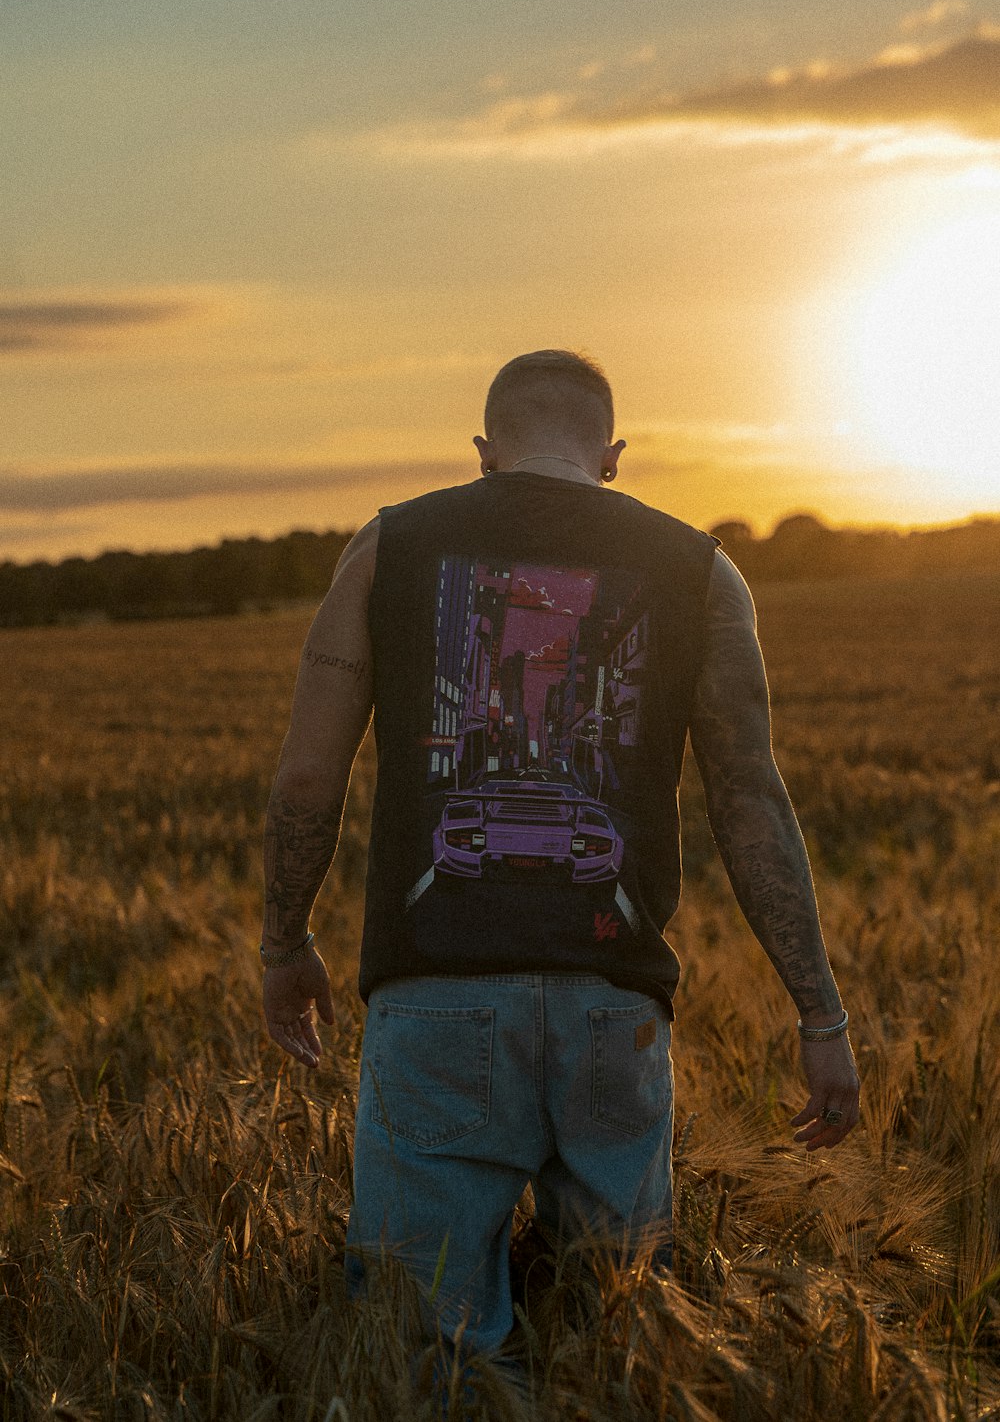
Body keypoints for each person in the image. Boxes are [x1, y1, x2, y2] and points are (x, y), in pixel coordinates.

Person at [260, 349, 860, 1360]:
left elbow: (305, 781)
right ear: (612, 455)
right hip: (612, 1009)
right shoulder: (700, 571)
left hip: (434, 995)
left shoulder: (389, 547)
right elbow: (750, 800)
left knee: (429, 1354)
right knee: (621, 1344)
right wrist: (819, 1012)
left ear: (485, 453)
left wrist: (285, 943)